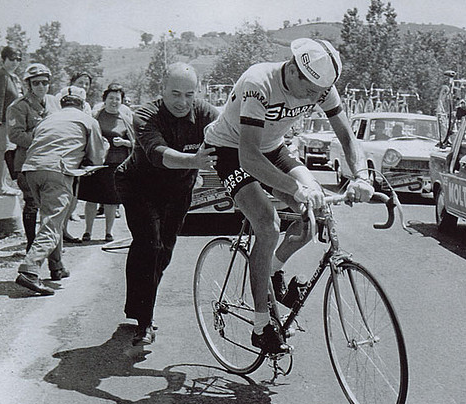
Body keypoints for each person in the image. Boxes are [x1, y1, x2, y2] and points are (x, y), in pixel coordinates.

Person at [204, 38, 374, 354]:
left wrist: (361, 176)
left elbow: (348, 137)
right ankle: (261, 324)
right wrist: (298, 188)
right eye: (309, 92)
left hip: (273, 147)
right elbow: (249, 157)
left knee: (316, 215)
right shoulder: (259, 82)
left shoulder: (321, 85)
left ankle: (271, 270)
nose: (314, 99)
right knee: (267, 225)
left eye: (318, 94)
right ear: (294, 69)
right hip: (230, 150)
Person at [115, 62, 219, 346]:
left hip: (178, 191)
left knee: (164, 253)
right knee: (150, 245)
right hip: (139, 187)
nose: (182, 102)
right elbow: (160, 154)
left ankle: (136, 307)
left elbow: (231, 139)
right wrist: (195, 162)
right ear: (161, 90)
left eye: (189, 94)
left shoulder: (207, 114)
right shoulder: (145, 115)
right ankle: (144, 323)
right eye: (175, 94)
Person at [15, 86, 107, 296]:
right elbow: (97, 158)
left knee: (52, 218)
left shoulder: (47, 119)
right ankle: (29, 270)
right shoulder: (87, 120)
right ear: (83, 105)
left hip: (31, 171)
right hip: (57, 172)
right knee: (52, 223)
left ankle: (56, 267)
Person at [7, 63, 60, 252]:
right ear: (28, 85)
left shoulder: (54, 102)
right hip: (27, 162)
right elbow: (15, 135)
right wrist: (42, 138)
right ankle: (31, 244)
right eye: (36, 82)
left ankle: (50, 245)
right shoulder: (18, 107)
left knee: (52, 204)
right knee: (31, 204)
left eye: (45, 82)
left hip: (52, 162)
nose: (41, 86)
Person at [78, 83, 134, 242]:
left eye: (118, 99)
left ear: (122, 101)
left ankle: (108, 232)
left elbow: (136, 143)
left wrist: (124, 143)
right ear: (105, 100)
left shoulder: (126, 120)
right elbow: (86, 136)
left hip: (115, 165)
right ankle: (88, 231)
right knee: (91, 198)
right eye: (111, 98)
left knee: (111, 200)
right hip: (95, 163)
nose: (114, 102)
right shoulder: (95, 116)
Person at [61, 71, 94, 243]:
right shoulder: (63, 99)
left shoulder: (87, 106)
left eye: (87, 83)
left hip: (79, 153)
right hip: (65, 153)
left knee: (73, 195)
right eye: (81, 82)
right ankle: (57, 233)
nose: (84, 86)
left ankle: (64, 230)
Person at [0, 45, 23, 196]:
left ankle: (2, 184)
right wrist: (1, 120)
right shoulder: (2, 75)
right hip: (1, 120)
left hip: (8, 120)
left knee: (5, 153)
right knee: (1, 153)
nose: (15, 62)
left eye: (18, 59)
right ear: (4, 59)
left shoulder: (11, 77)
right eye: (12, 59)